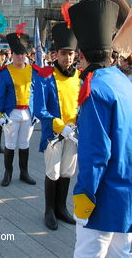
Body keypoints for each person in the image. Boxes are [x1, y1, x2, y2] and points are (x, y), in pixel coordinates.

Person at [68, 0, 132, 258]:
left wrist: (84, 195)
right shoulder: (121, 79)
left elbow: (95, 153)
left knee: (89, 254)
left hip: (107, 192)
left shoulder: (94, 89)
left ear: (81, 55)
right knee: (121, 254)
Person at [33, 22, 80, 230]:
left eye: (70, 54)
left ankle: (61, 208)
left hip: (75, 134)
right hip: (55, 133)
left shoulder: (80, 76)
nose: (67, 58)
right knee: (53, 172)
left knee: (67, 172)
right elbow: (39, 109)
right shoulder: (44, 76)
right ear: (55, 54)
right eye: (63, 53)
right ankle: (49, 210)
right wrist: (61, 127)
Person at [0, 27, 38, 187]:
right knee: (10, 145)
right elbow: (1, 95)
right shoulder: (5, 72)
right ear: (12, 54)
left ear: (26, 54)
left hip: (28, 113)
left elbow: (36, 92)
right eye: (17, 54)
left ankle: (24, 172)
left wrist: (37, 111)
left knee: (25, 144)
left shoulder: (34, 71)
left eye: (23, 53)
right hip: (12, 114)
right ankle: (8, 173)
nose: (20, 56)